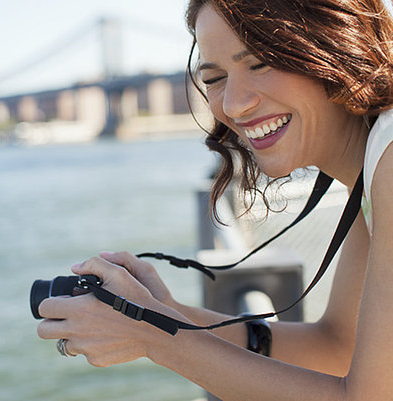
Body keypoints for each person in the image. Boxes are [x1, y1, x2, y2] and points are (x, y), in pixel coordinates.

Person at [37, 0, 393, 399]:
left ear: (337, 44)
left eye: (260, 63)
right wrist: (167, 314)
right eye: (215, 77)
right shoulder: (372, 164)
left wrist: (154, 337)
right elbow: (336, 347)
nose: (234, 104)